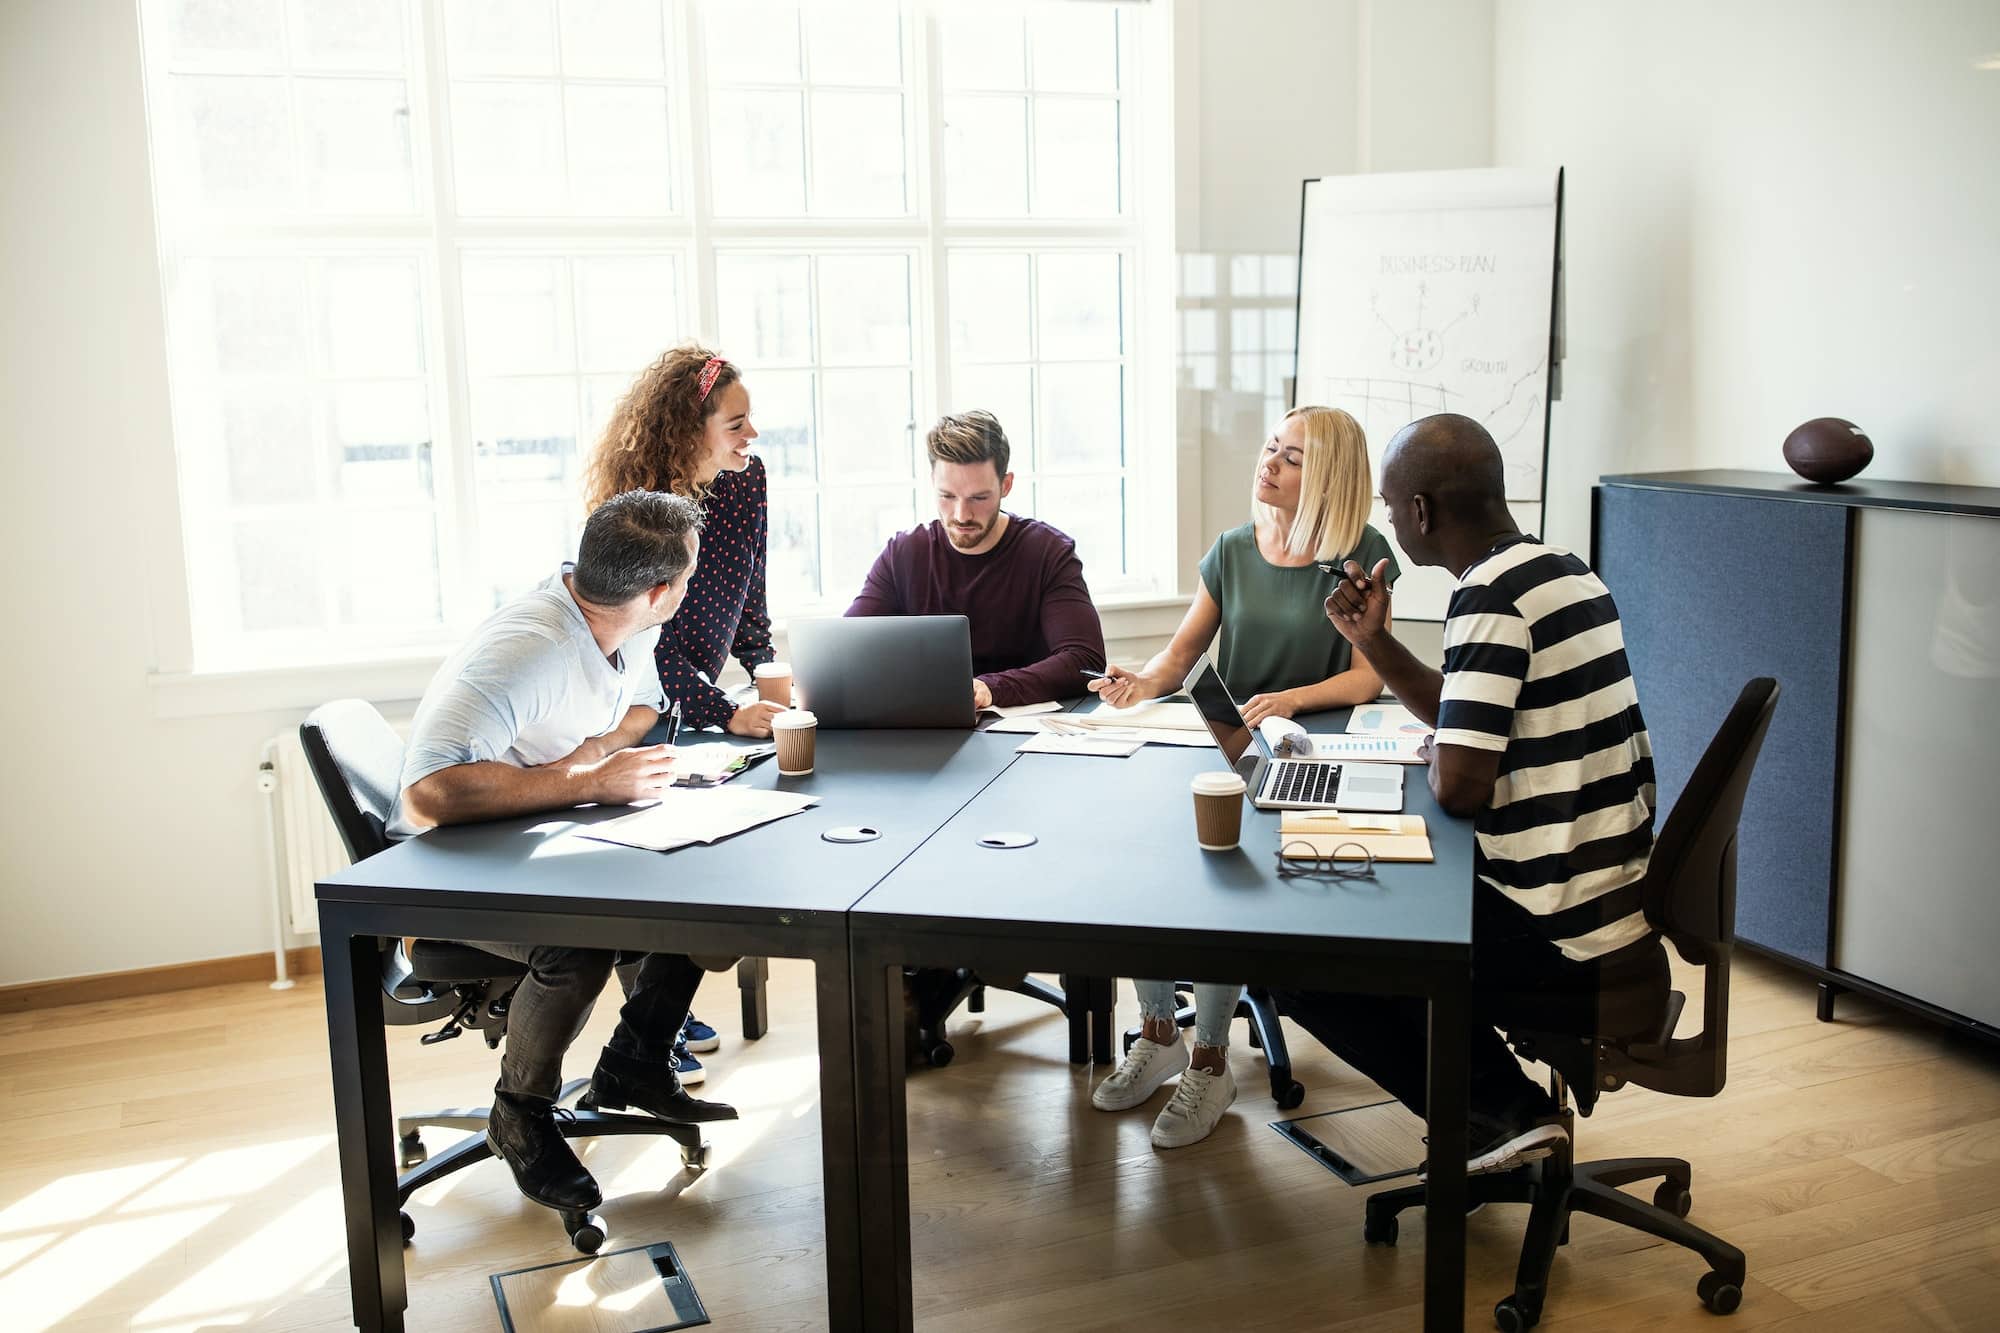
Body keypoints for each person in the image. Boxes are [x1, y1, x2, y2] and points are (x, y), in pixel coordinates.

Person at [1274, 412, 1669, 1177]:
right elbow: (1466, 710)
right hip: (1612, 905)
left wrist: (1439, 761)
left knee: (1307, 950)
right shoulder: (1562, 569)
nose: (1388, 519)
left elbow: (1458, 788)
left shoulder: (1486, 597)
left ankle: (1500, 1111)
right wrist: (1374, 641)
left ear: (1420, 511)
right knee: (1360, 901)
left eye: (1391, 505)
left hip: (1558, 932)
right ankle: (1497, 1109)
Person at [390, 490, 734, 1219]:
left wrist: (599, 756)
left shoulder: (622, 617)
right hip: (442, 869)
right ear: (661, 590)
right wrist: (583, 780)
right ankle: (518, 1111)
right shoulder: (529, 649)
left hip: (543, 835)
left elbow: (641, 704)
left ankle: (636, 1062)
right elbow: (424, 793)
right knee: (576, 942)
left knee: (703, 891)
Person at [1085, 405, 1399, 1147]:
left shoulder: (1362, 553)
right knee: (1152, 863)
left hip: (1309, 756)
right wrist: (1139, 681)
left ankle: (1211, 1060)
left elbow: (1367, 679)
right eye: (1270, 447)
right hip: (1227, 743)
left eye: (1291, 457)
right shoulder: (1233, 549)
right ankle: (1159, 1033)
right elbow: (1180, 654)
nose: (1269, 464)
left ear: (1325, 476)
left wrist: (1290, 698)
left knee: (1220, 890)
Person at [583, 343, 779, 1080]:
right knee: (669, 858)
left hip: (707, 698)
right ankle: (650, 1027)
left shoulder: (746, 480)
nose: (750, 435)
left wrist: (768, 677)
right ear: (687, 430)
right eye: (735, 423)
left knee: (702, 848)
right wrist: (726, 711)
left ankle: (652, 1020)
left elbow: (751, 595)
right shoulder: (637, 510)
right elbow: (644, 642)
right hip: (643, 698)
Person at [846, 409, 1107, 707]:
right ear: (933, 481)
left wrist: (991, 688)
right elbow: (849, 648)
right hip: (926, 732)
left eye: (978, 498)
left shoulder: (1048, 552)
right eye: (947, 496)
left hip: (1029, 735)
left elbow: (1085, 661)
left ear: (1005, 485)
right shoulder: (904, 553)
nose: (961, 515)